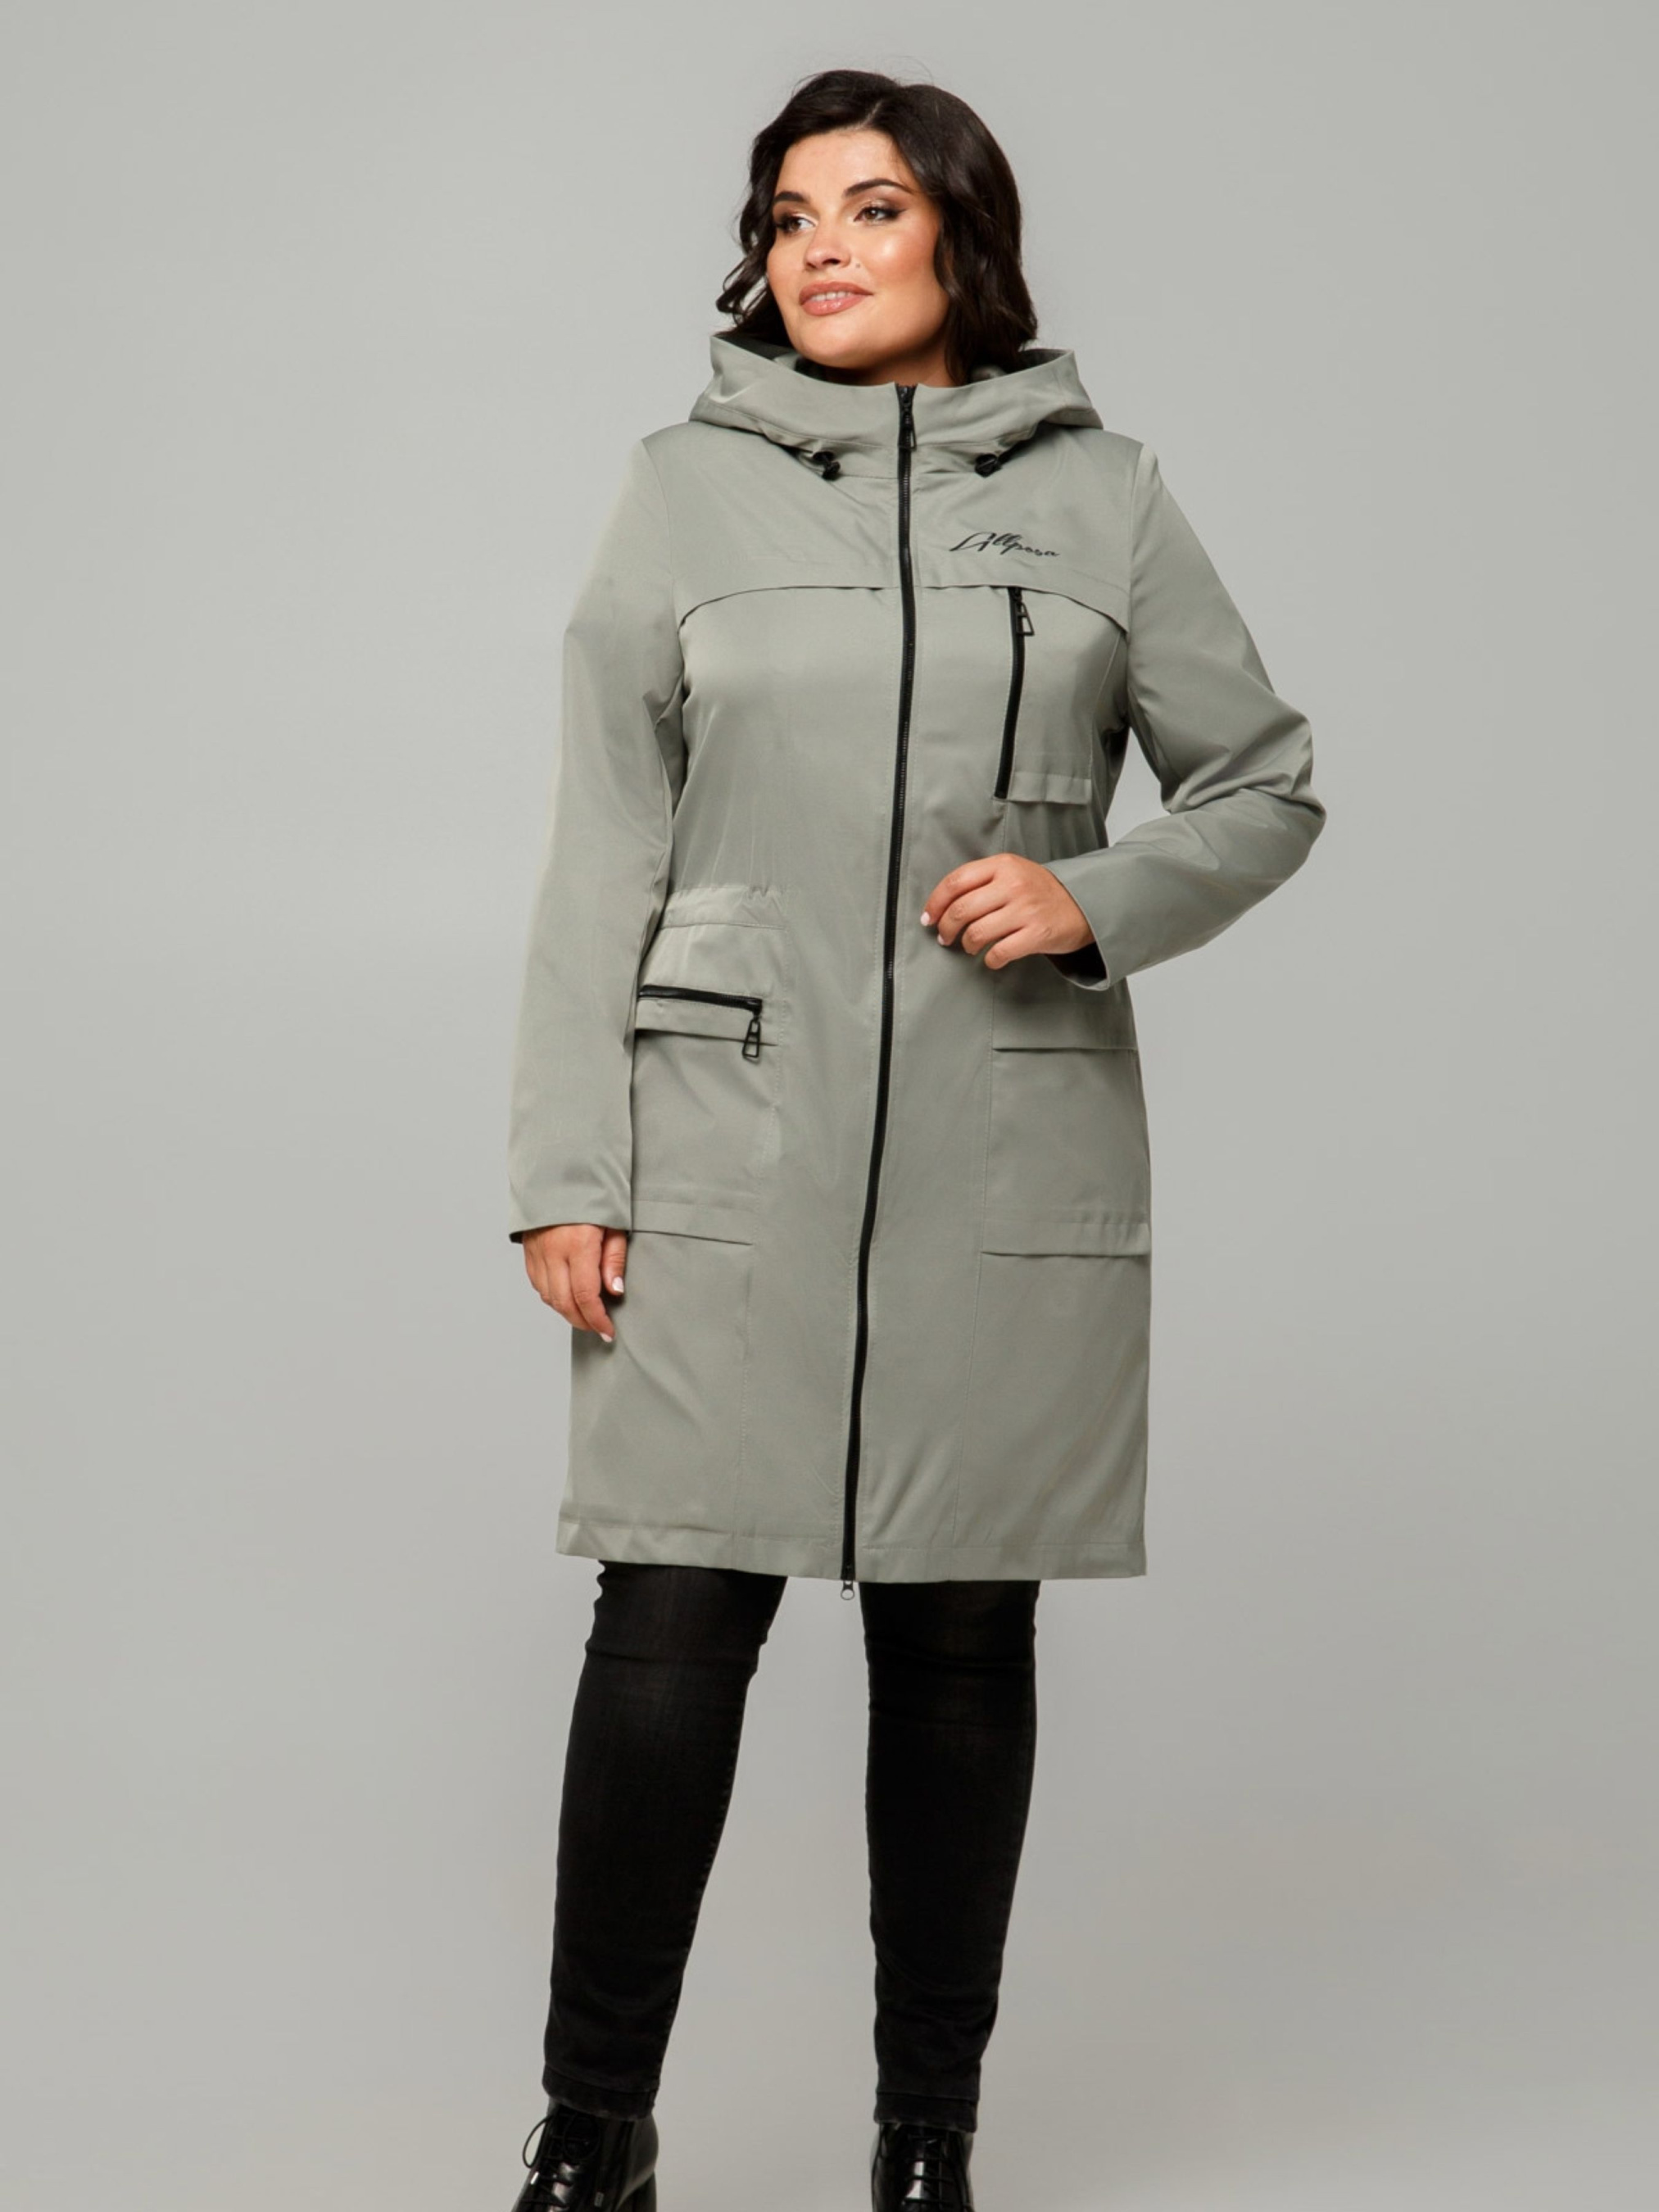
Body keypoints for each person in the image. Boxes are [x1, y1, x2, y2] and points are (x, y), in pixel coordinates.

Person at [504, 66, 1326, 2212]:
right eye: (789, 216)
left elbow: (1259, 784)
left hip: (1000, 1137)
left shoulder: (1106, 500)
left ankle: (925, 2140)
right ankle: (592, 2130)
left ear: (964, 232)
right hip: (723, 1133)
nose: (822, 249)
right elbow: (603, 843)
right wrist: (567, 1164)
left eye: (870, 207)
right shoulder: (681, 492)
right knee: (667, 1623)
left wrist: (1092, 896)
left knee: (960, 1643)